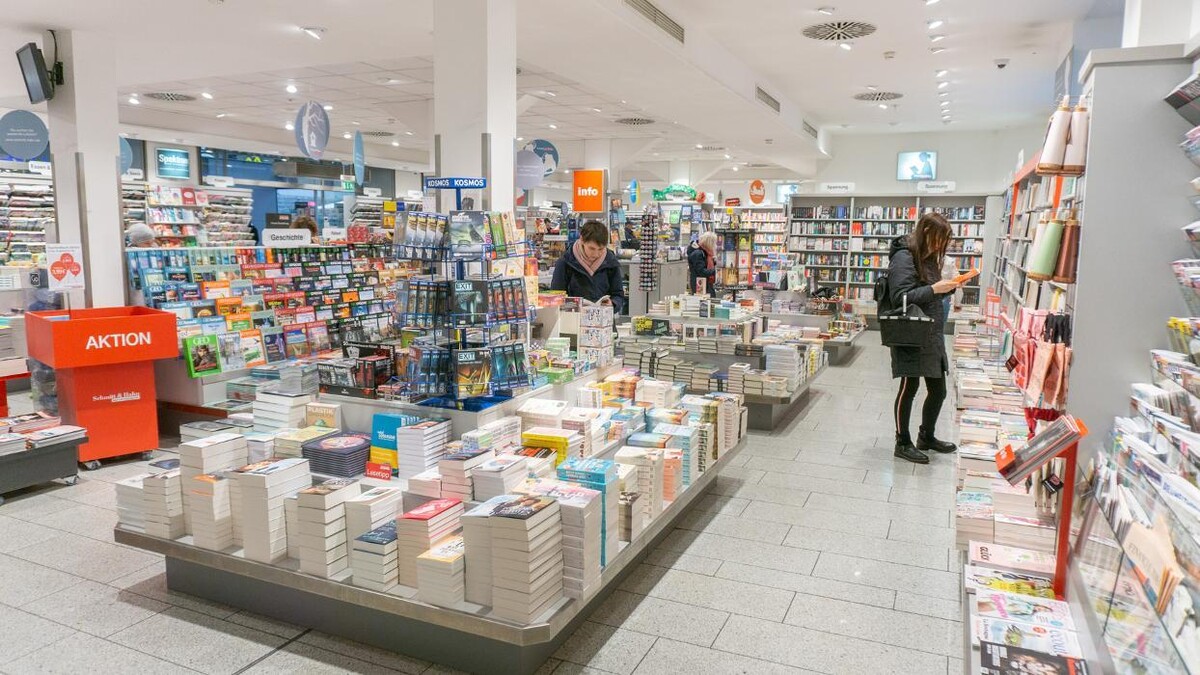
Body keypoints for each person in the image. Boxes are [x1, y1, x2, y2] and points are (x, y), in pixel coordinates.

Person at [887, 212, 963, 464]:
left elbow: (927, 293)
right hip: (911, 332)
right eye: (940, 239)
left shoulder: (928, 257)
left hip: (931, 333)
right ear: (927, 233)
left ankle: (926, 436)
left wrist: (946, 288)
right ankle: (902, 441)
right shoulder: (904, 256)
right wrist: (934, 289)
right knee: (910, 387)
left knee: (938, 389)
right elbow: (900, 297)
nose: (942, 246)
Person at [550, 220, 625, 313]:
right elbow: (556, 297)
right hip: (574, 322)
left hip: (603, 322)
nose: (596, 254)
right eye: (591, 248)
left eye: (601, 249)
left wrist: (613, 303)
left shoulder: (611, 262)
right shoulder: (565, 262)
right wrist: (574, 306)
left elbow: (618, 295)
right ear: (582, 240)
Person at [687, 231, 717, 296]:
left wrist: (713, 263)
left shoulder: (705, 253)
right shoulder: (698, 254)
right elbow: (701, 271)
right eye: (713, 243)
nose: (715, 245)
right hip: (700, 285)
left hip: (705, 284)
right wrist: (715, 271)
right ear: (709, 243)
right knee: (705, 302)